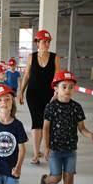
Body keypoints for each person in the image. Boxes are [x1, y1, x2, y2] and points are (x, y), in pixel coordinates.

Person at [39, 70, 93, 184]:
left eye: (71, 87)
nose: (67, 90)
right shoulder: (50, 107)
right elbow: (46, 128)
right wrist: (46, 147)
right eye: (64, 86)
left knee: (69, 178)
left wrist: (90, 135)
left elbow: (81, 128)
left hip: (70, 150)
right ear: (56, 88)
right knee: (56, 177)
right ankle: (46, 181)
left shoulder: (76, 107)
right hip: (55, 149)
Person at [18, 29, 61, 164]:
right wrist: (21, 92)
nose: (47, 44)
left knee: (47, 123)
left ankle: (46, 149)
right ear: (37, 42)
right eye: (44, 42)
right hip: (33, 94)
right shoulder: (31, 57)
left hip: (49, 95)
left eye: (48, 42)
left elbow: (57, 77)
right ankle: (36, 154)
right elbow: (26, 76)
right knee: (37, 123)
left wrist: (57, 92)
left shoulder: (55, 58)